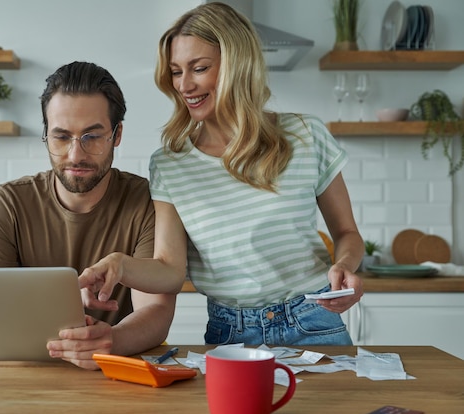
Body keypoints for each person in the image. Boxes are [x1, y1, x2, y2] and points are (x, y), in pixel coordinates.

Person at [80, 2, 364, 347]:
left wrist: (346, 266)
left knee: (338, 405)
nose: (184, 85)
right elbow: (170, 269)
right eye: (175, 72)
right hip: (232, 333)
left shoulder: (305, 135)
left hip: (314, 320)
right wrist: (119, 265)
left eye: (198, 68)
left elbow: (347, 232)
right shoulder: (171, 163)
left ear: (237, 65)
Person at [0, 61, 176, 370]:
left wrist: (110, 342)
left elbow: (156, 310)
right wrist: (61, 346)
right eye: (61, 137)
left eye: (92, 137)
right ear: (45, 135)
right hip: (26, 374)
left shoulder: (147, 202)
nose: (76, 155)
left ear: (116, 135)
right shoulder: (6, 204)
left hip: (117, 375)